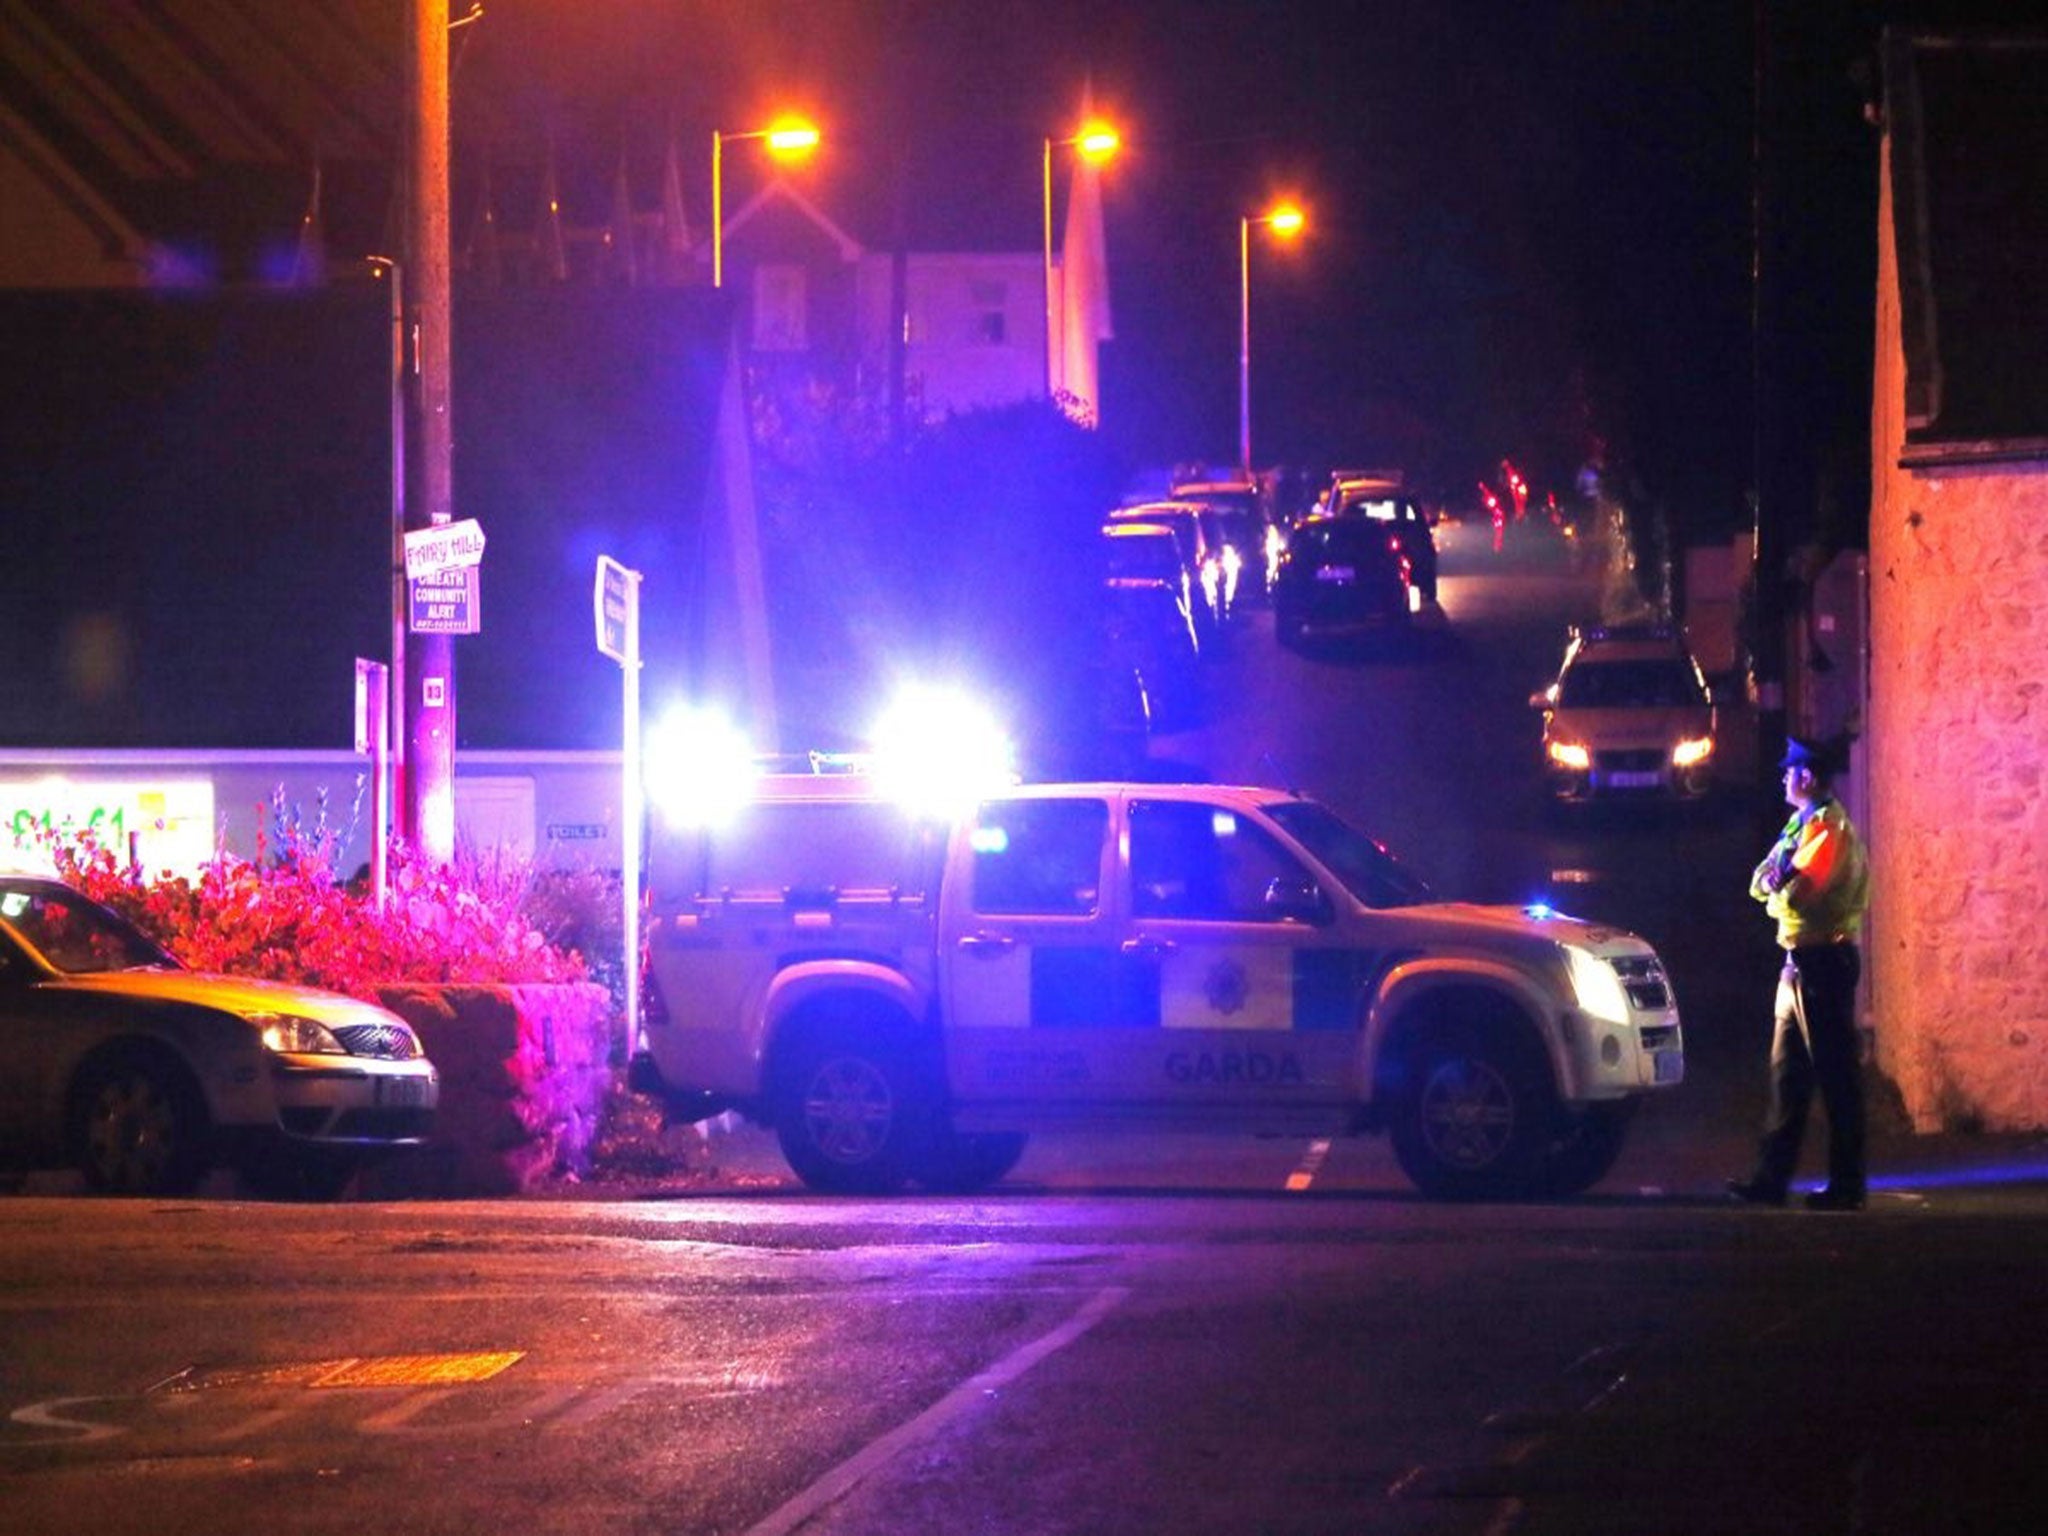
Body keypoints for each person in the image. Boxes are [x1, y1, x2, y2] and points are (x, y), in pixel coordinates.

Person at [1728, 734, 1872, 1211]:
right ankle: (1771, 1180)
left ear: (1807, 777)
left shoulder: (1828, 831)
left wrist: (1778, 884)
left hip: (1823, 962)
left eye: (1789, 771)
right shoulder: (1800, 825)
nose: (1783, 778)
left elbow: (1796, 895)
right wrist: (1777, 882)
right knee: (1786, 1076)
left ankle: (1847, 1185)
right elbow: (1759, 881)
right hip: (1798, 962)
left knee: (1835, 1076)